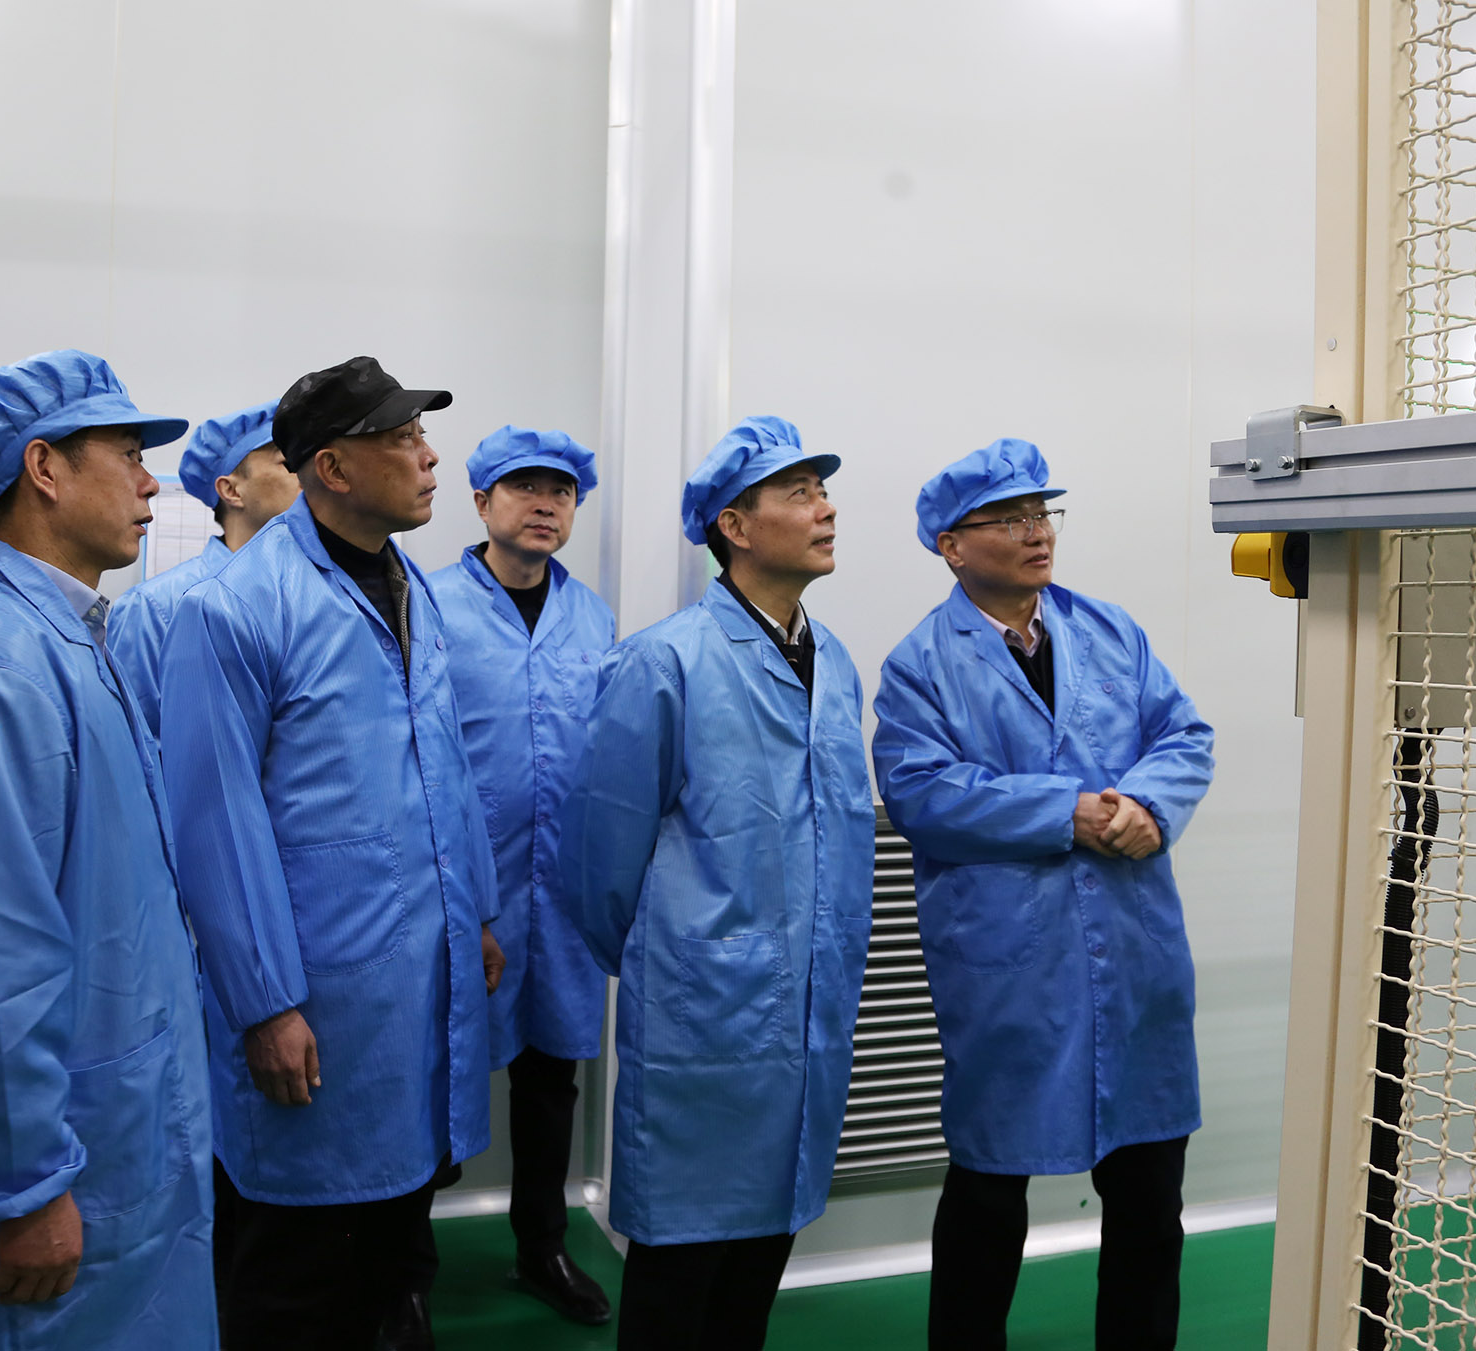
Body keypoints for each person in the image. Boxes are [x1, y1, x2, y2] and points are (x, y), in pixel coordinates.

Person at [0, 349, 216, 1349]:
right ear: (45, 468)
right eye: (127, 453)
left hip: (111, 1128)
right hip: (44, 1172)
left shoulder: (68, 639)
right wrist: (20, 1183)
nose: (151, 482)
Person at [160, 356, 504, 1351]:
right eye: (400, 438)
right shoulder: (236, 608)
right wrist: (265, 1003)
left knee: (397, 1246)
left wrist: (477, 910)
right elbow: (214, 823)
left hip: (415, 972)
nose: (428, 456)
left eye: (421, 434)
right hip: (316, 995)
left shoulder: (411, 587)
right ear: (333, 468)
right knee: (298, 1273)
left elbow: (446, 762)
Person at [870, 438, 1215, 1351]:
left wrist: (1148, 804)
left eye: (1042, 513)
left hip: (1134, 951)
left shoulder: (1110, 629)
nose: (1036, 533)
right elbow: (921, 792)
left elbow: (1184, 735)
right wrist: (1068, 811)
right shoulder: (920, 664)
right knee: (988, 1195)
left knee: (1149, 1198)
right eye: (1010, 519)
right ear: (952, 545)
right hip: (1010, 964)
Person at [560, 415, 874, 1351]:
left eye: (824, 491)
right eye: (800, 493)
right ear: (734, 526)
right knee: (681, 1262)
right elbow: (602, 857)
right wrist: (685, 958)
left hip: (806, 1001)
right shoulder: (666, 658)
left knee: (758, 1261)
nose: (826, 509)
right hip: (702, 1011)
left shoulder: (835, 661)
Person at [387, 427, 618, 1346]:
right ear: (482, 502)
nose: (545, 503)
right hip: (456, 891)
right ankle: (405, 1275)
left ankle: (542, 1245)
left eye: (561, 490)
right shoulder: (425, 603)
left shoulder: (593, 616)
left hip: (561, 889)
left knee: (551, 1077)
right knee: (432, 1078)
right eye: (524, 486)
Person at [108, 399, 297, 739]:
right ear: (231, 490)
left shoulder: (313, 594)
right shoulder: (154, 608)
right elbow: (136, 747)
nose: (309, 476)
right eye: (289, 463)